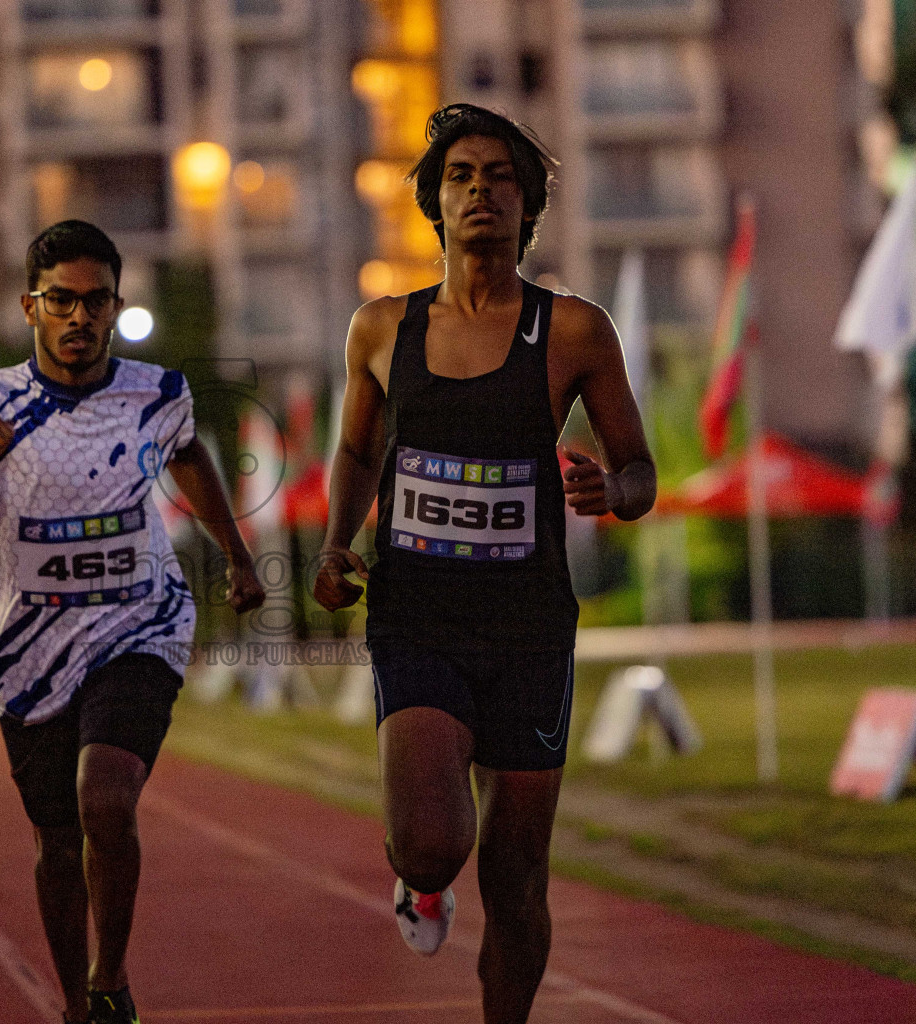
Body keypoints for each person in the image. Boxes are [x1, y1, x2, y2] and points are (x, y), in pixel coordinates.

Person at [313, 104, 655, 1024]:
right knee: (428, 845)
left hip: (529, 629)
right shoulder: (383, 329)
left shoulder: (575, 331)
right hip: (417, 617)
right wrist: (338, 544)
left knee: (516, 876)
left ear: (526, 202)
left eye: (499, 176)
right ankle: (422, 886)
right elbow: (356, 452)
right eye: (460, 176)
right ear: (435, 203)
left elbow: (640, 469)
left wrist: (610, 492)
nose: (479, 191)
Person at [0, 220, 264, 1024]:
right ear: (31, 306)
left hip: (139, 628)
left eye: (96, 301)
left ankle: (111, 977)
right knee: (56, 839)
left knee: (105, 800)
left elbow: (188, 450)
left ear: (117, 306)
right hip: (29, 654)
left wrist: (236, 553)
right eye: (62, 301)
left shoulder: (156, 394)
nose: (80, 317)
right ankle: (75, 1005)